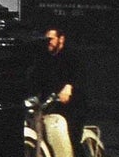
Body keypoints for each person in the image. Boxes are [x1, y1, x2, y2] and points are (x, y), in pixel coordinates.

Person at [33, 28, 86, 157]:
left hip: (73, 107)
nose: (48, 43)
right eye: (46, 40)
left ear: (61, 39)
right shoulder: (44, 58)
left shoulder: (72, 56)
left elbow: (77, 76)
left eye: (51, 39)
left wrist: (68, 88)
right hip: (50, 104)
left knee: (71, 139)